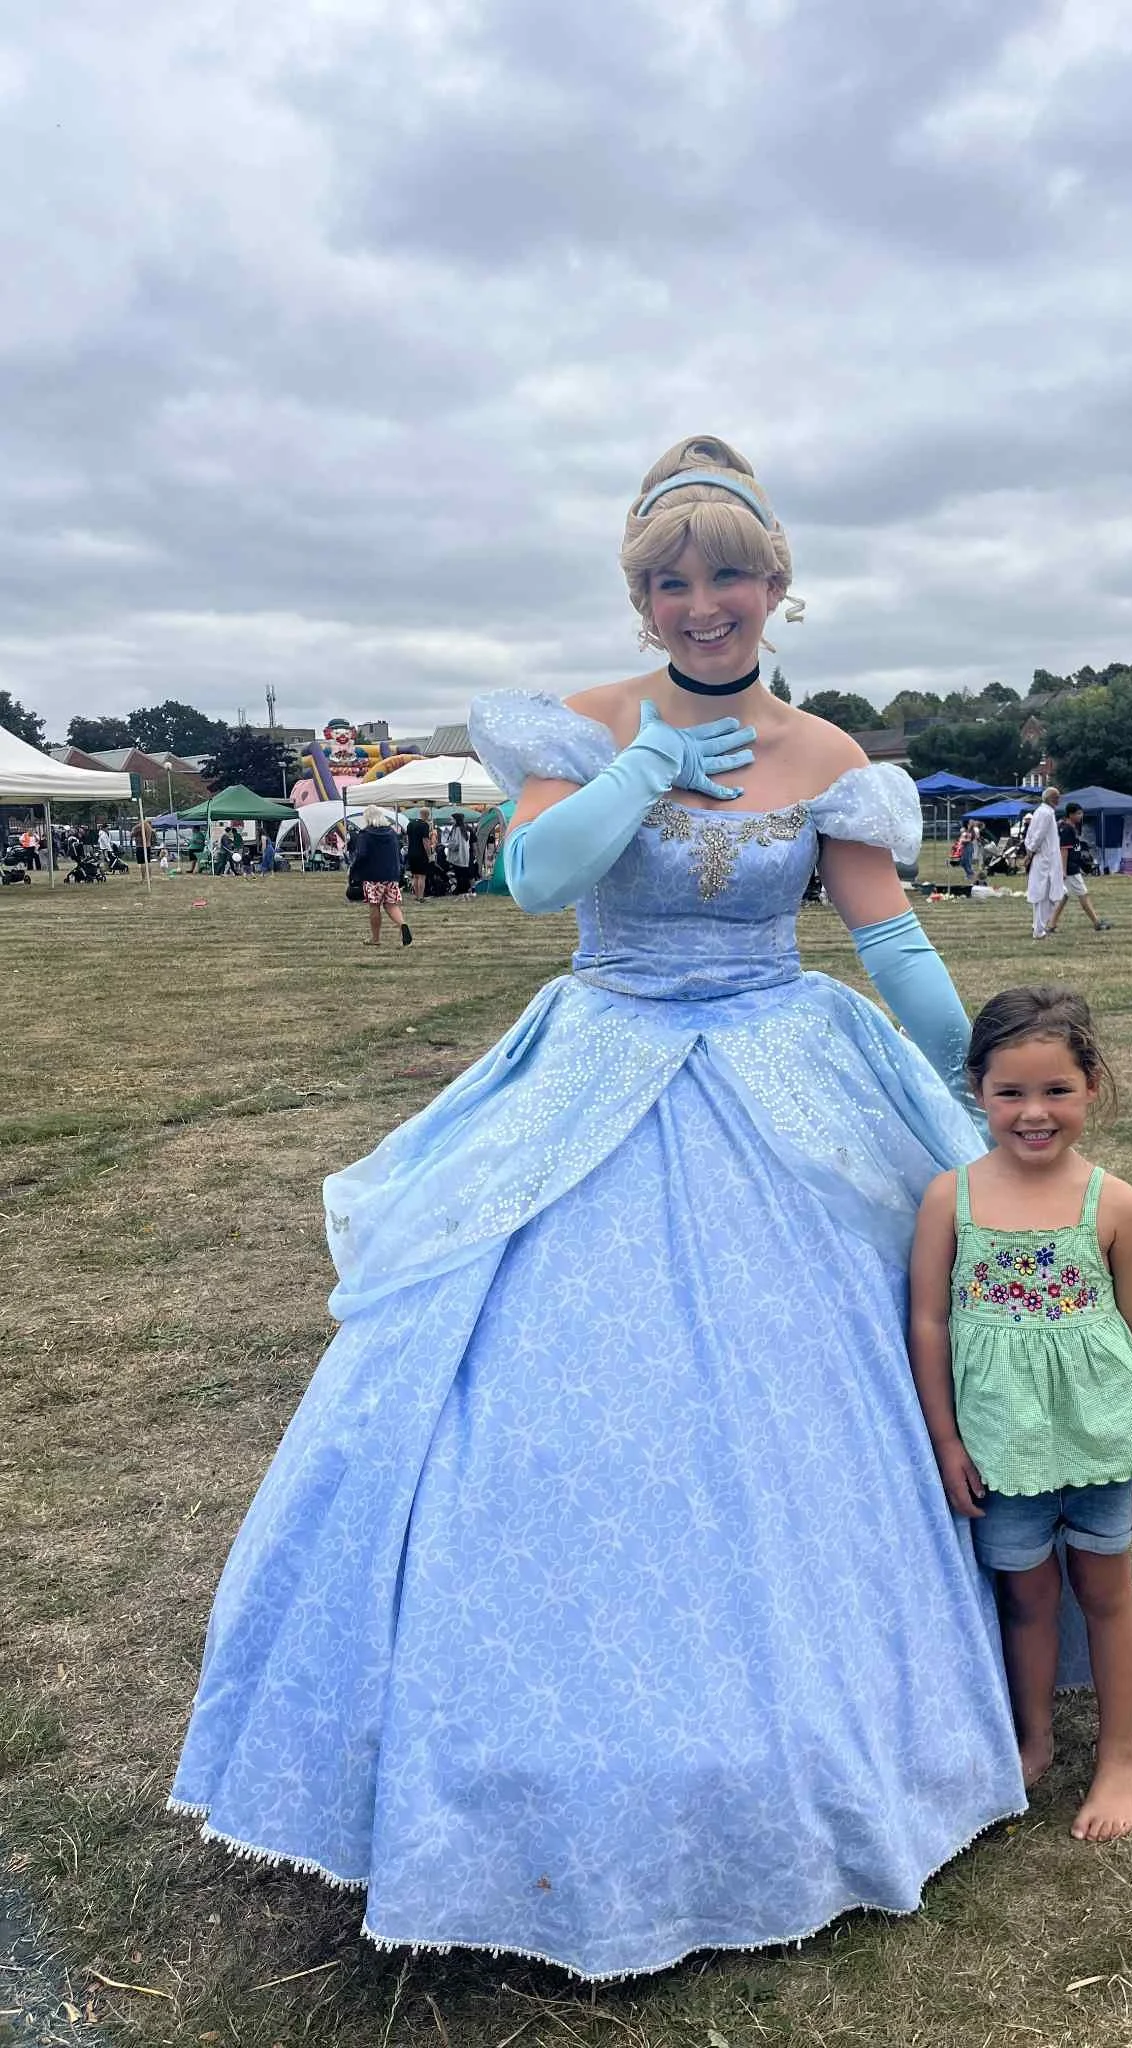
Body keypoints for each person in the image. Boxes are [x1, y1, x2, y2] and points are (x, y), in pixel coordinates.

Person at [168, 433, 1028, 1977]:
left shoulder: (829, 752)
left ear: (776, 585)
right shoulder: (578, 723)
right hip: (604, 1052)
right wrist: (640, 769)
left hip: (779, 1060)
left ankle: (833, 1715)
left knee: (820, 1383)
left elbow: (887, 939)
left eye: (729, 575)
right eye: (670, 582)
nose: (702, 604)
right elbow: (539, 881)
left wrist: (973, 1086)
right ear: (641, 599)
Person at [908, 986, 1132, 1843]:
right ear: (977, 1090)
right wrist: (946, 1439)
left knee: (1105, 1590)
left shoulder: (1115, 1203)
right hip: (1001, 1447)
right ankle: (1032, 1740)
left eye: (1057, 1090)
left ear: (1091, 1085)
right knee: (1025, 1599)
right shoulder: (949, 1200)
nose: (1034, 1112)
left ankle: (1120, 1753)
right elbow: (929, 1322)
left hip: (1102, 1441)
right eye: (1011, 1092)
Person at [348, 803, 411, 946]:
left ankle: (375, 939)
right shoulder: (391, 833)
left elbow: (361, 855)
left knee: (374, 906)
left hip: (373, 876)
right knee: (391, 904)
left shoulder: (365, 834)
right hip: (391, 875)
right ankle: (402, 924)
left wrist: (354, 869)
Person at [1048, 804, 1110, 933]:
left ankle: (1052, 924)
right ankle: (1096, 923)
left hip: (1073, 864)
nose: (1081, 816)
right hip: (1070, 868)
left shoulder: (1072, 828)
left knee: (1064, 896)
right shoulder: (1067, 829)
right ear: (1070, 815)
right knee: (1083, 894)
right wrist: (1064, 870)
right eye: (1078, 813)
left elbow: (1075, 848)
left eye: (1081, 813)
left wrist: (1081, 863)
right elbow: (1064, 850)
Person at [1024, 787, 1064, 939]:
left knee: (1044, 894)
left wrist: (1029, 850)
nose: (1059, 800)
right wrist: (1030, 852)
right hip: (1046, 859)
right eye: (1057, 797)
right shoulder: (1046, 813)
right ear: (1051, 799)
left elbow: (1031, 834)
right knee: (1046, 895)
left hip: (1044, 857)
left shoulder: (1041, 812)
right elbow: (1038, 835)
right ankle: (1039, 929)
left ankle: (1038, 926)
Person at [405, 804, 434, 900]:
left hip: (411, 852)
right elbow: (425, 841)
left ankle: (416, 896)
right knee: (421, 876)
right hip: (421, 853)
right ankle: (421, 897)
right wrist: (429, 854)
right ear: (427, 815)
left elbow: (408, 839)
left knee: (415, 876)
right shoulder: (424, 825)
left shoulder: (410, 824)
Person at [444, 812, 475, 896]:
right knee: (463, 873)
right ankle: (464, 890)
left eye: (452, 819)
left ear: (456, 820)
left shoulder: (457, 829)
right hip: (465, 855)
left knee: (459, 874)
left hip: (458, 856)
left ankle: (461, 890)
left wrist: (447, 845)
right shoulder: (465, 829)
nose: (451, 821)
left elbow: (456, 844)